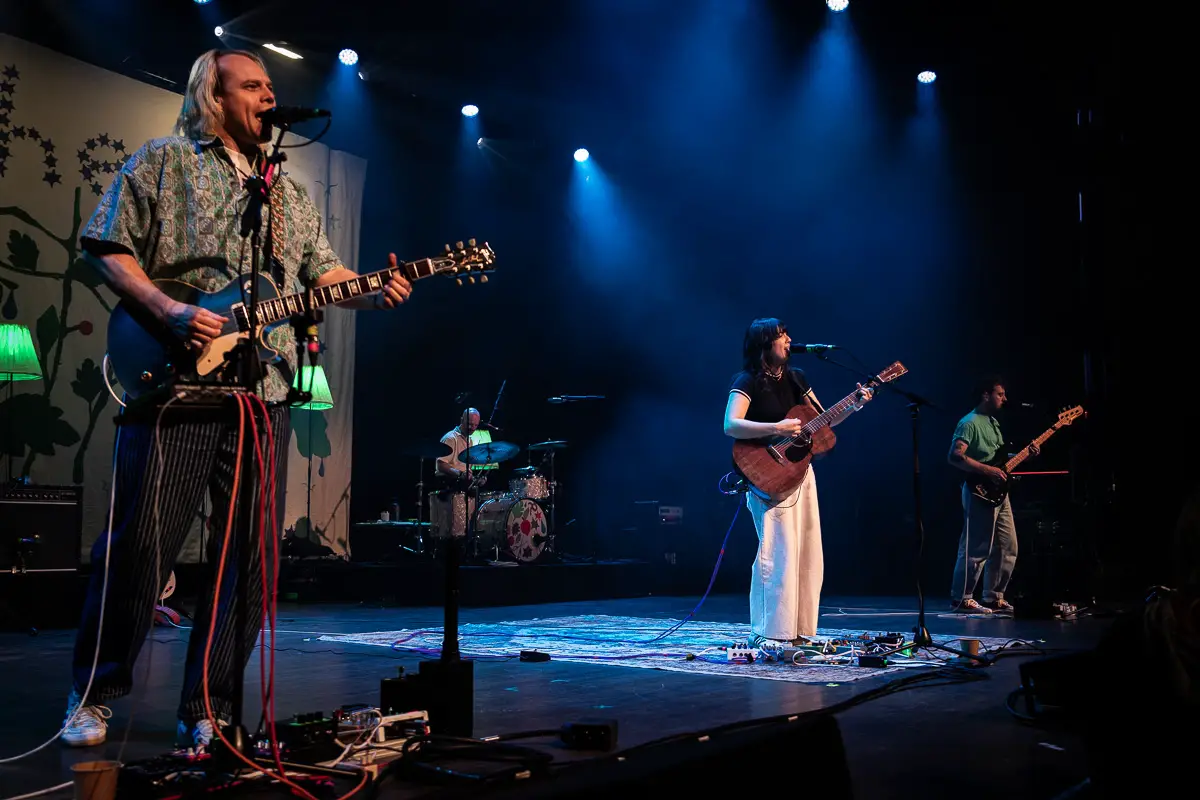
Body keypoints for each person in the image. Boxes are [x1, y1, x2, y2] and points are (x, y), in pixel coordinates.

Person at [63, 49, 413, 749]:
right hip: (174, 382)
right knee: (141, 546)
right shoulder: (165, 161)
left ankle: (210, 708)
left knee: (245, 561)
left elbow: (323, 274)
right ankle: (93, 694)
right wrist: (168, 309)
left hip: (260, 392)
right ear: (214, 98)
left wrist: (373, 291)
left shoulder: (289, 194)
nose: (268, 95)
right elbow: (104, 244)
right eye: (252, 85)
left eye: (270, 86)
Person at [723, 318, 871, 647]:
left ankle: (800, 630)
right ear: (764, 343)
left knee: (807, 550)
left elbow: (824, 420)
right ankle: (768, 632)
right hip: (766, 473)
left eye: (788, 334)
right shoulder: (747, 380)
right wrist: (776, 428)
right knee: (778, 552)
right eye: (782, 335)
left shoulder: (796, 378)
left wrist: (855, 404)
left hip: (800, 473)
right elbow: (731, 425)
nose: (789, 340)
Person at [947, 376, 1036, 615]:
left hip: (999, 491)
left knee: (1007, 544)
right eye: (1000, 394)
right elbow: (955, 456)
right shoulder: (969, 422)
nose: (1004, 399)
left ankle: (994, 596)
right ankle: (962, 598)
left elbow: (999, 461)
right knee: (977, 546)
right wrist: (988, 471)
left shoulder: (993, 422)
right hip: (979, 490)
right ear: (986, 395)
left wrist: (1024, 456)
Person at [431, 408, 490, 539]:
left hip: (463, 486)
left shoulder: (470, 440)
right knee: (454, 533)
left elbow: (465, 469)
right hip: (450, 487)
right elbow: (440, 464)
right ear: (461, 420)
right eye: (469, 424)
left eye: (475, 425)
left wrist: (476, 479)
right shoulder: (450, 438)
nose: (472, 428)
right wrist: (459, 474)